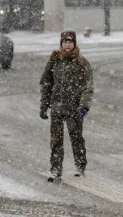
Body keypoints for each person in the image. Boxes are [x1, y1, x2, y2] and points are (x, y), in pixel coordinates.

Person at [40, 30, 94, 182]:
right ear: (61, 44)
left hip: (74, 109)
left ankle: (80, 166)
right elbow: (46, 83)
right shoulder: (54, 61)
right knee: (56, 141)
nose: (67, 45)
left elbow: (87, 87)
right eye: (65, 42)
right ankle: (56, 171)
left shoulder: (81, 63)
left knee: (76, 139)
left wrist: (83, 106)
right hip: (56, 107)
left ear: (74, 44)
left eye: (70, 42)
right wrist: (44, 104)